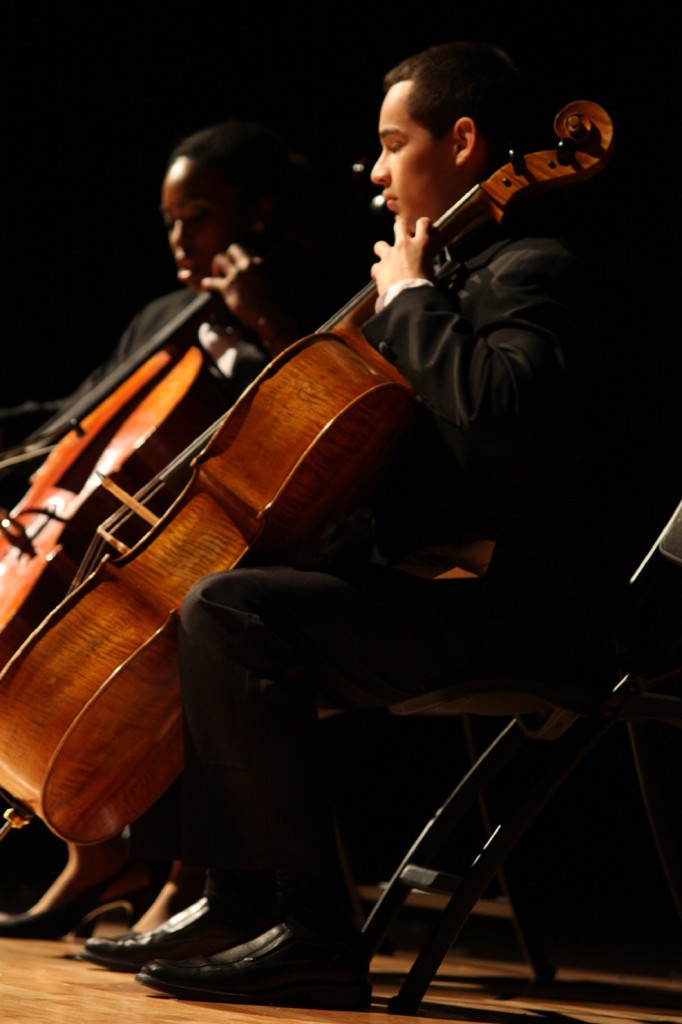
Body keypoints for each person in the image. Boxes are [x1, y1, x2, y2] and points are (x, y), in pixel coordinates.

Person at [74, 40, 626, 1009]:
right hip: (432, 590)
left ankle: (314, 931)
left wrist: (409, 299)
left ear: (461, 142)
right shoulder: (449, 278)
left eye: (390, 143)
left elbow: (498, 416)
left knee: (235, 616)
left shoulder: (533, 267)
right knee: (212, 611)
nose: (373, 170)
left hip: (511, 605)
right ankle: (238, 899)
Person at [0, 117, 359, 940]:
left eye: (197, 216)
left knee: (183, 632)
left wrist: (265, 321)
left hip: (236, 556)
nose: (178, 237)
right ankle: (95, 857)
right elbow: (72, 424)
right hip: (116, 546)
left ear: (259, 213)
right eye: (169, 220)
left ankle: (190, 873)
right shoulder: (166, 313)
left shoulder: (302, 306)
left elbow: (320, 417)